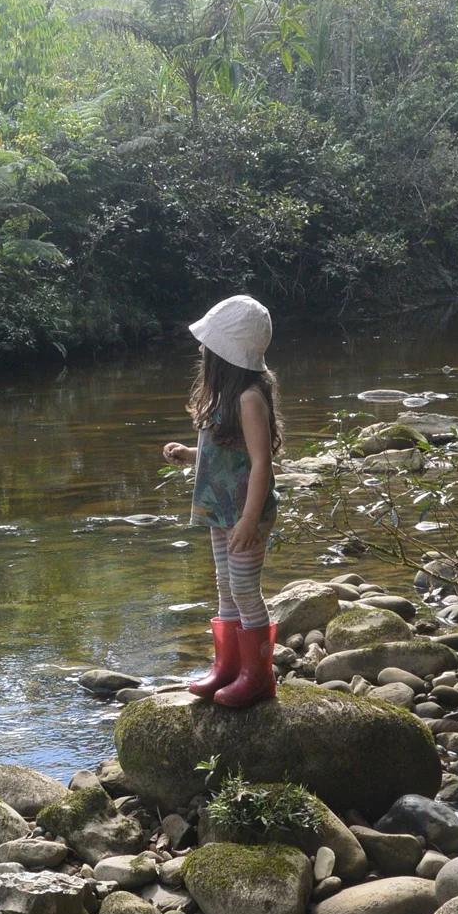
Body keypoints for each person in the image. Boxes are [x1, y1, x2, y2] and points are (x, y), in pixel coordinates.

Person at [162, 295, 282, 707]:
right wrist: (190, 454)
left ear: (225, 354)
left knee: (245, 588)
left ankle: (258, 676)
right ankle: (228, 667)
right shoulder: (220, 398)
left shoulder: (249, 398)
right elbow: (224, 452)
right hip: (220, 508)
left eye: (207, 343)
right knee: (225, 588)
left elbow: (261, 462)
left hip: (246, 511)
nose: (200, 349)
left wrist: (250, 520)